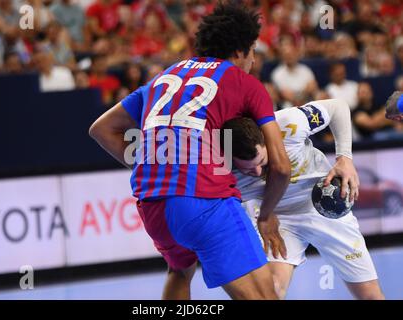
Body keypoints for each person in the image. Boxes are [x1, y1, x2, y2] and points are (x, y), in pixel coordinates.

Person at [89, 2, 291, 300]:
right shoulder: (245, 83)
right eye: (252, 52)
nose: (252, 61)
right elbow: (282, 167)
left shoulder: (165, 76)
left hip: (152, 207)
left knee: (180, 272)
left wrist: (153, 167)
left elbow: (101, 129)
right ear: (239, 51)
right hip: (203, 201)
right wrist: (266, 215)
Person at [223, 98, 385, 300]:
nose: (257, 172)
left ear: (267, 141)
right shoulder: (219, 164)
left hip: (324, 209)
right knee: (271, 291)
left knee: (371, 296)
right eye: (247, 169)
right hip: (275, 219)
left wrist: (344, 158)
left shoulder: (288, 123)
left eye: (263, 163)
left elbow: (338, 107)